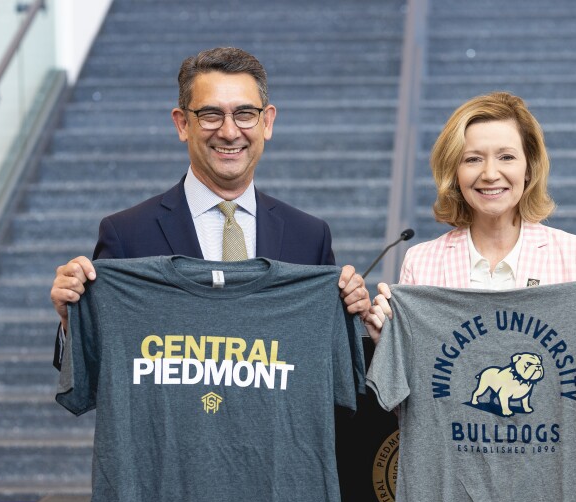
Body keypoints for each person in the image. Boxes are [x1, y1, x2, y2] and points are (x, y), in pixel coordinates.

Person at [50, 47, 369, 347]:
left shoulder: (310, 238)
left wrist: (355, 317)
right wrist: (72, 321)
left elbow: (326, 360)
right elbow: (103, 366)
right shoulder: (127, 236)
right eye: (210, 114)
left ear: (267, 122)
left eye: (245, 113)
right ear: (182, 124)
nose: (229, 132)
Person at [365, 91, 576, 413]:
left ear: (529, 167)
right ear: (454, 173)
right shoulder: (422, 261)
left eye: (506, 157)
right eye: (472, 159)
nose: (489, 173)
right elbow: (415, 402)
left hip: (544, 457)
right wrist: (385, 344)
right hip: (456, 456)